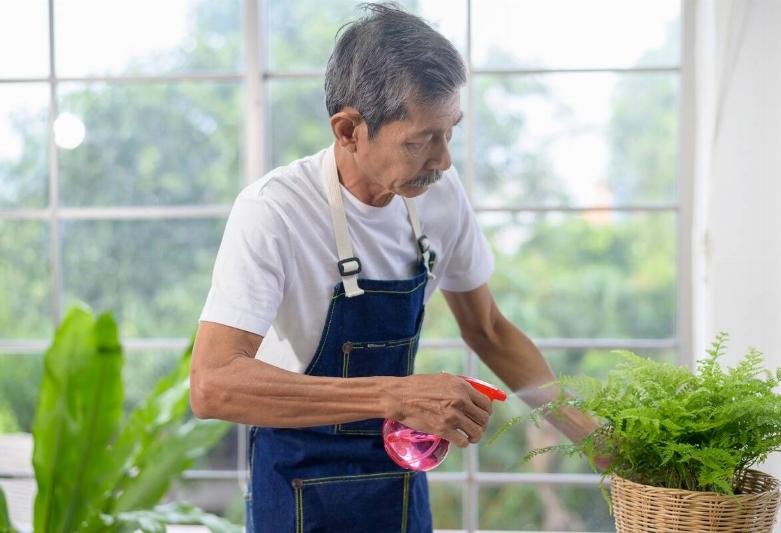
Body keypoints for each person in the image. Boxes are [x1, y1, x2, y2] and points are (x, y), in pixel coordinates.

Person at [190, 3, 603, 532]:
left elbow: (490, 330)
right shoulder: (274, 211)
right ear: (348, 130)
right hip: (295, 483)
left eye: (449, 130)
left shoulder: (440, 196)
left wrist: (595, 439)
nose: (443, 160)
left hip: (398, 479)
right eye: (420, 140)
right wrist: (396, 394)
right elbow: (213, 383)